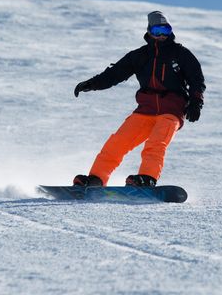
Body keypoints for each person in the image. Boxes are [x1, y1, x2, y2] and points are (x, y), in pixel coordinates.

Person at [72, 11, 206, 187]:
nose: (161, 35)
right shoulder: (140, 55)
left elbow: (196, 79)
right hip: (145, 109)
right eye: (157, 30)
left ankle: (147, 178)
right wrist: (92, 84)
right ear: (149, 31)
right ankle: (96, 179)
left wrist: (196, 102)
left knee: (156, 144)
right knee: (117, 142)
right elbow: (114, 74)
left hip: (171, 110)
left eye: (166, 30)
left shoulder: (181, 54)